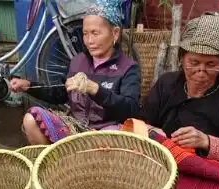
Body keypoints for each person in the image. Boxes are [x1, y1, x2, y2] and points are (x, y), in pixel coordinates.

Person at [10, 0, 141, 145]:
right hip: (75, 130)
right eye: (85, 33)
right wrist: (28, 85)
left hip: (108, 134)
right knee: (31, 119)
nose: (89, 40)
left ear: (115, 33)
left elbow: (131, 109)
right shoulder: (79, 61)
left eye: (95, 33)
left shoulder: (128, 68)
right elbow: (61, 93)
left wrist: (95, 90)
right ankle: (53, 164)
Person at [143, 13, 219, 167]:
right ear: (182, 59)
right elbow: (140, 123)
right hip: (160, 165)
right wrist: (154, 133)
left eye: (211, 64)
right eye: (194, 62)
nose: (201, 70)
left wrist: (206, 141)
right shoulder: (167, 83)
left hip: (208, 172)